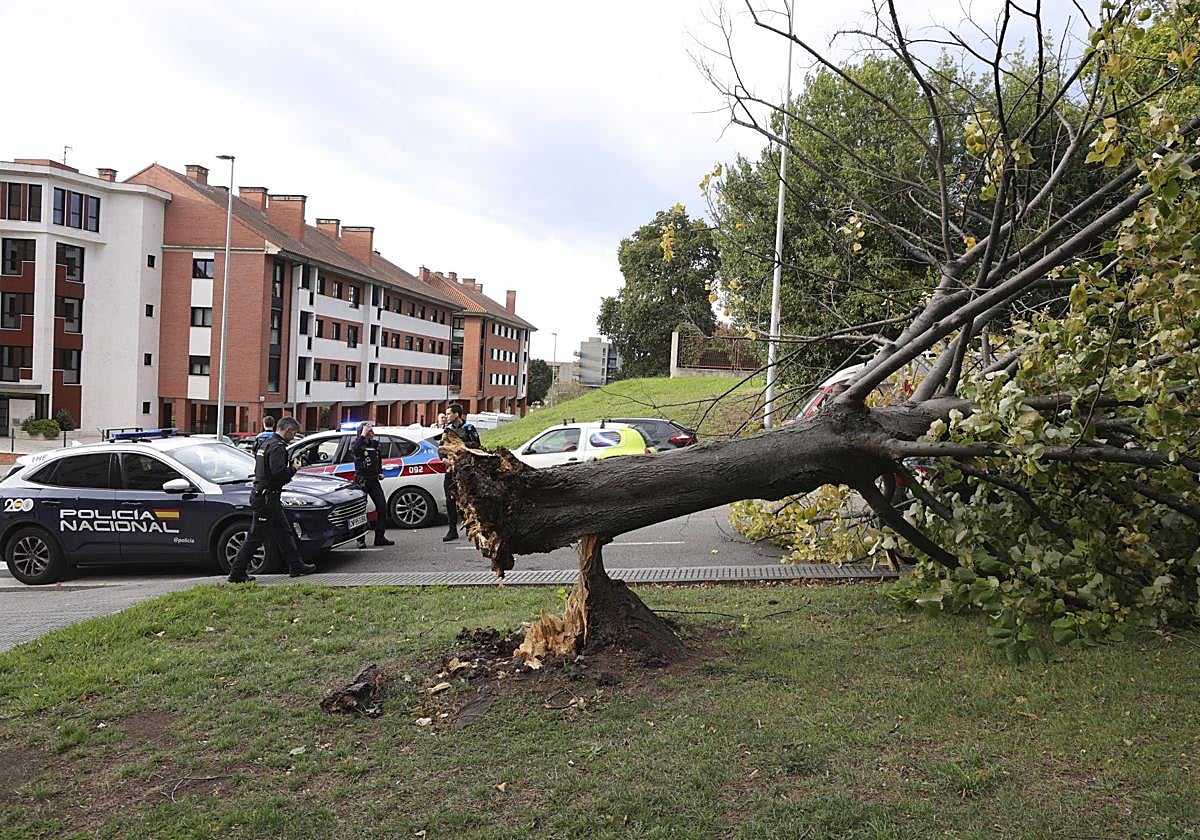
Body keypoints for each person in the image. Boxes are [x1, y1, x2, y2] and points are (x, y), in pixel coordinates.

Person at [227, 416, 317, 582]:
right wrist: (293, 469)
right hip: (266, 498)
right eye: (294, 433)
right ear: (288, 430)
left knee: (284, 532)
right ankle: (236, 573)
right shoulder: (278, 447)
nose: (294, 436)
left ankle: (296, 565)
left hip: (268, 497)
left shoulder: (266, 443)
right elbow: (278, 474)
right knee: (256, 537)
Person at [352, 422, 395, 548]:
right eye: (369, 431)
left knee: (382, 507)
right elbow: (355, 450)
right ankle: (360, 539)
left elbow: (378, 459)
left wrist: (380, 472)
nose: (372, 432)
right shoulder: (357, 443)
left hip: (373, 480)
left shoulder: (374, 444)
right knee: (360, 510)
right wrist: (362, 435)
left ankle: (380, 537)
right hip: (361, 480)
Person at [441, 403, 480, 542]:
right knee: (450, 499)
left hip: (466, 468)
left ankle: (471, 526)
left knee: (468, 498)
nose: (447, 416)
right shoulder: (447, 429)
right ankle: (452, 529)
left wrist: (461, 447)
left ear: (456, 414)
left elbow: (477, 446)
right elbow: (442, 447)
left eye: (449, 413)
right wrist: (444, 459)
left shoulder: (469, 428)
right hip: (451, 469)